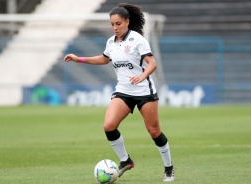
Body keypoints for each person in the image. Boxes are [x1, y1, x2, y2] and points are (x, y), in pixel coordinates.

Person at [64, 3, 175, 182]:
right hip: (123, 91)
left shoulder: (137, 39)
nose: (115, 27)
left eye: (118, 24)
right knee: (109, 126)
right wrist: (79, 59)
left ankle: (169, 168)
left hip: (144, 91)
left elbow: (152, 63)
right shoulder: (111, 42)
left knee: (154, 131)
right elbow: (104, 59)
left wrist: (142, 76)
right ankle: (126, 161)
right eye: (112, 24)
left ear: (127, 22)